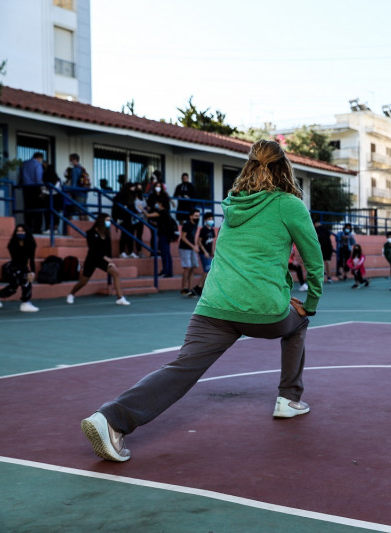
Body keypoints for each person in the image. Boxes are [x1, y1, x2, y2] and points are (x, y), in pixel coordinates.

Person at [80, 139, 323, 462]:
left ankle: (110, 419)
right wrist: (312, 302)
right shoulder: (289, 205)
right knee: (299, 321)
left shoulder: (233, 205)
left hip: (213, 307)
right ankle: (289, 399)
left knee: (182, 367)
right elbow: (314, 261)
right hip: (265, 311)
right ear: (284, 168)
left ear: (248, 166)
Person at [66, 213, 131, 306]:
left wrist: (110, 260)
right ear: (101, 221)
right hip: (92, 259)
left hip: (103, 260)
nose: (109, 222)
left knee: (116, 274)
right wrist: (105, 257)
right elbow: (93, 248)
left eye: (109, 220)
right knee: (83, 281)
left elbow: (109, 249)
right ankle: (71, 294)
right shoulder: (91, 233)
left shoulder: (107, 234)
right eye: (107, 220)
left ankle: (120, 297)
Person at [0, 224, 40, 312]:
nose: (20, 233)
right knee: (14, 287)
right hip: (12, 268)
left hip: (23, 267)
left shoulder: (31, 243)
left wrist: (33, 272)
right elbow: (17, 259)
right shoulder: (12, 244)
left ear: (26, 232)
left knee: (27, 281)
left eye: (22, 231)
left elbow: (31, 259)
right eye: (18, 231)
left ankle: (25, 303)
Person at [146, 196, 175, 278]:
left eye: (158, 203)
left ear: (161, 204)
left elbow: (148, 215)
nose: (156, 205)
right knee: (166, 253)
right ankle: (167, 271)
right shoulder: (165, 213)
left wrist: (142, 209)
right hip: (165, 235)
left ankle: (167, 271)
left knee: (165, 253)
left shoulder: (162, 212)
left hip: (164, 235)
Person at [19, 152, 44, 233]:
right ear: (39, 158)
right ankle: (37, 229)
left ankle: (28, 227)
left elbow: (21, 176)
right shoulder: (37, 165)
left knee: (27, 209)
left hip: (26, 188)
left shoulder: (25, 164)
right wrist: (42, 190)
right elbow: (38, 179)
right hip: (35, 188)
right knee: (37, 210)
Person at [178, 208, 201, 297]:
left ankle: (190, 289)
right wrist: (193, 246)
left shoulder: (195, 224)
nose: (197, 217)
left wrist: (195, 246)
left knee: (193, 267)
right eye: (195, 216)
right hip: (184, 248)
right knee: (187, 267)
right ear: (191, 216)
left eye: (198, 216)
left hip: (192, 248)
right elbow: (183, 237)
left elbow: (193, 236)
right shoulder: (186, 225)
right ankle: (184, 288)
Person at [195, 212, 216, 295]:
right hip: (203, 253)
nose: (211, 220)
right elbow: (199, 242)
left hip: (209, 253)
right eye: (209, 219)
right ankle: (199, 286)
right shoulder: (203, 230)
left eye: (212, 219)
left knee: (208, 270)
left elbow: (212, 242)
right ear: (205, 220)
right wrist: (205, 252)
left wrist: (212, 252)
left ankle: (201, 286)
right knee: (207, 270)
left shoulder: (212, 230)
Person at [64, 153, 90, 221]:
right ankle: (87, 227)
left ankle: (81, 229)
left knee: (80, 211)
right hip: (84, 192)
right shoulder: (82, 168)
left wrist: (70, 192)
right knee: (85, 211)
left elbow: (74, 184)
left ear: (74, 159)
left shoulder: (75, 169)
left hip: (78, 193)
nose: (70, 161)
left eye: (70, 159)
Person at [41, 160, 64, 233]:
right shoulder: (58, 179)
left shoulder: (44, 179)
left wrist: (45, 192)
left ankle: (49, 228)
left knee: (48, 213)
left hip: (48, 197)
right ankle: (55, 229)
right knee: (56, 213)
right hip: (57, 197)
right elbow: (58, 189)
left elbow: (43, 189)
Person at [314, 219, 334, 283]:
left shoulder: (316, 229)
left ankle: (321, 276)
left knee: (320, 262)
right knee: (328, 262)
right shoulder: (326, 229)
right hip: (328, 247)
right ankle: (329, 278)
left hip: (321, 247)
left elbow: (316, 237)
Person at [132, 183, 147, 258]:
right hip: (133, 218)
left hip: (140, 219)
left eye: (140, 188)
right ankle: (131, 252)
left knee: (139, 235)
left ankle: (139, 251)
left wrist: (142, 210)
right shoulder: (133, 198)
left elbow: (144, 207)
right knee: (131, 234)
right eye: (137, 188)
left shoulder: (143, 198)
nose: (139, 190)